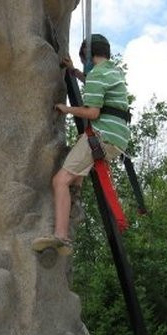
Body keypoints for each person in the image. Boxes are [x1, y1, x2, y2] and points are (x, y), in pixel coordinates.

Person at [31, 33, 131, 256]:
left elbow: (92, 112)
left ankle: (61, 236)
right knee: (74, 177)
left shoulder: (97, 75)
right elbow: (95, 86)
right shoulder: (113, 72)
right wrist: (75, 72)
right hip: (117, 139)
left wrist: (67, 109)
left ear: (88, 55)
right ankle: (72, 201)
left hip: (101, 135)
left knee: (60, 180)